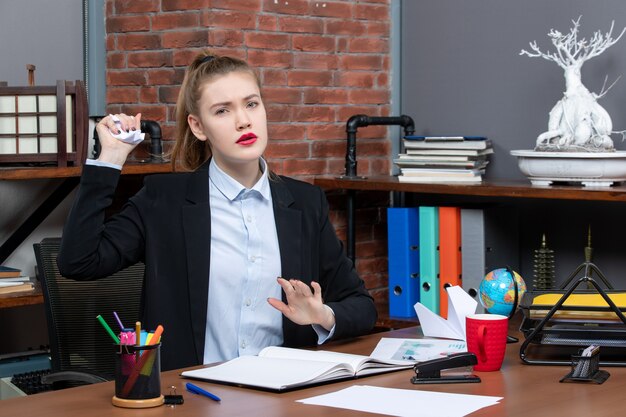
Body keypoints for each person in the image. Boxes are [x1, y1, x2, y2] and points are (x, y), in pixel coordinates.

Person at [57, 52, 377, 371]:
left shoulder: (306, 203)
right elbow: (79, 262)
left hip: (283, 392)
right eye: (222, 111)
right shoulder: (163, 200)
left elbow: (362, 306)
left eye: (251, 104)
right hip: (192, 395)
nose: (243, 120)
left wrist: (322, 315)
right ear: (198, 126)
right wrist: (109, 159)